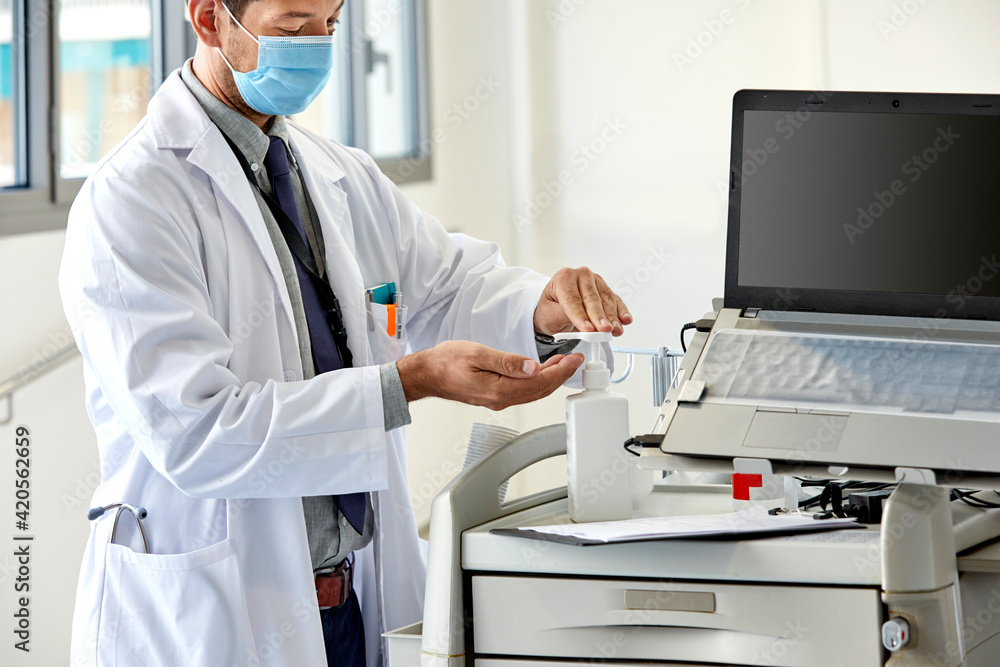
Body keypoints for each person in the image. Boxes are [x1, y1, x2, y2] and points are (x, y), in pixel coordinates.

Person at [58, 1, 632, 665]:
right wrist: (408, 381)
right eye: (294, 26)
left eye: (330, 24)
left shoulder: (336, 173)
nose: (318, 46)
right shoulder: (132, 198)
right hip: (217, 616)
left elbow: (445, 284)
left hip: (356, 605)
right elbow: (198, 430)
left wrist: (542, 308)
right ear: (211, 19)